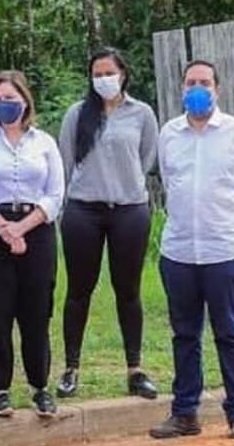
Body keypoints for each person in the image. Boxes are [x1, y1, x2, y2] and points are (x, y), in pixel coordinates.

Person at [150, 59, 234, 441]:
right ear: (181, 89)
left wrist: (231, 224)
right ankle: (185, 413)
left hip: (226, 251)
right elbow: (169, 183)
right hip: (180, 252)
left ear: (217, 89)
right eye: (190, 83)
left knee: (229, 332)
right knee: (184, 334)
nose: (197, 88)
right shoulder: (169, 134)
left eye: (204, 82)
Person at [55, 48, 160, 401]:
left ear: (123, 74)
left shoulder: (142, 113)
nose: (103, 79)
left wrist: (125, 186)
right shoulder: (76, 114)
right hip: (84, 210)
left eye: (108, 72)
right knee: (78, 290)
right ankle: (71, 368)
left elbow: (145, 157)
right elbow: (65, 161)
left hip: (129, 210)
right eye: (96, 74)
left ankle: (135, 368)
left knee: (128, 290)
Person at [0, 71, 65, 419]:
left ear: (25, 100)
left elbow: (55, 194)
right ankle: (0, 389)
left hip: (37, 229)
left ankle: (40, 387)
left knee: (37, 311)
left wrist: (23, 227)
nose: (5, 104)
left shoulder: (45, 142)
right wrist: (5, 229)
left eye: (11, 98)